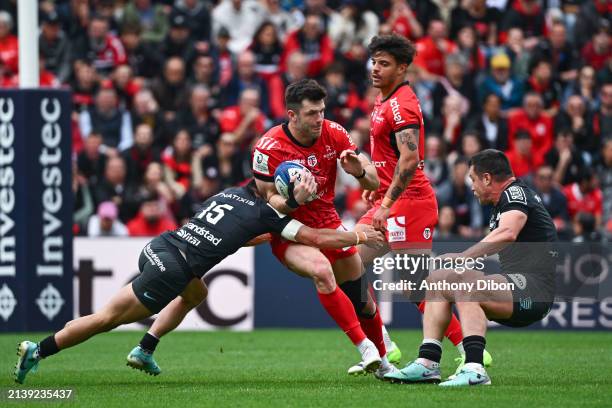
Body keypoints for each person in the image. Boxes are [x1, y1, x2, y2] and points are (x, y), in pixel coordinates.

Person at [14, 180, 385, 383]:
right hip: (171, 268)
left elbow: (243, 230)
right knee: (107, 318)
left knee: (197, 292)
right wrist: (358, 236)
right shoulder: (269, 217)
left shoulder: (234, 193)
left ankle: (145, 348)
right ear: (286, 195)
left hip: (161, 246)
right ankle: (40, 350)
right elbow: (318, 239)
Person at [351, 34, 490, 376]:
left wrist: (386, 202)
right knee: (344, 265)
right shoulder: (383, 100)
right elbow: (391, 158)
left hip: (409, 204)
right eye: (374, 62)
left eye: (384, 64)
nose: (376, 69)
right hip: (392, 201)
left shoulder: (402, 105)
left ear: (402, 67)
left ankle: (466, 350)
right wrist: (378, 188)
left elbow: (410, 159)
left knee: (416, 287)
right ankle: (381, 347)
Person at [251, 79, 394, 378]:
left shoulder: (334, 132)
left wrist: (359, 173)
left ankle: (385, 362)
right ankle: (364, 348)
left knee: (364, 301)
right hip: (288, 229)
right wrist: (292, 200)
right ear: (292, 115)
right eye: (312, 113)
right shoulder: (268, 148)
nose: (320, 119)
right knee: (321, 271)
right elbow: (269, 201)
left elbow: (373, 181)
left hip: (328, 222)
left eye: (322, 111)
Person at [385, 149, 557, 386]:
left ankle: (475, 368)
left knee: (469, 285)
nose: (472, 186)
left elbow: (507, 233)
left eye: (473, 179)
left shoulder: (515, 193)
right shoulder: (502, 202)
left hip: (534, 291)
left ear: (487, 178)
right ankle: (428, 362)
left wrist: (464, 257)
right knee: (438, 280)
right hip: (515, 285)